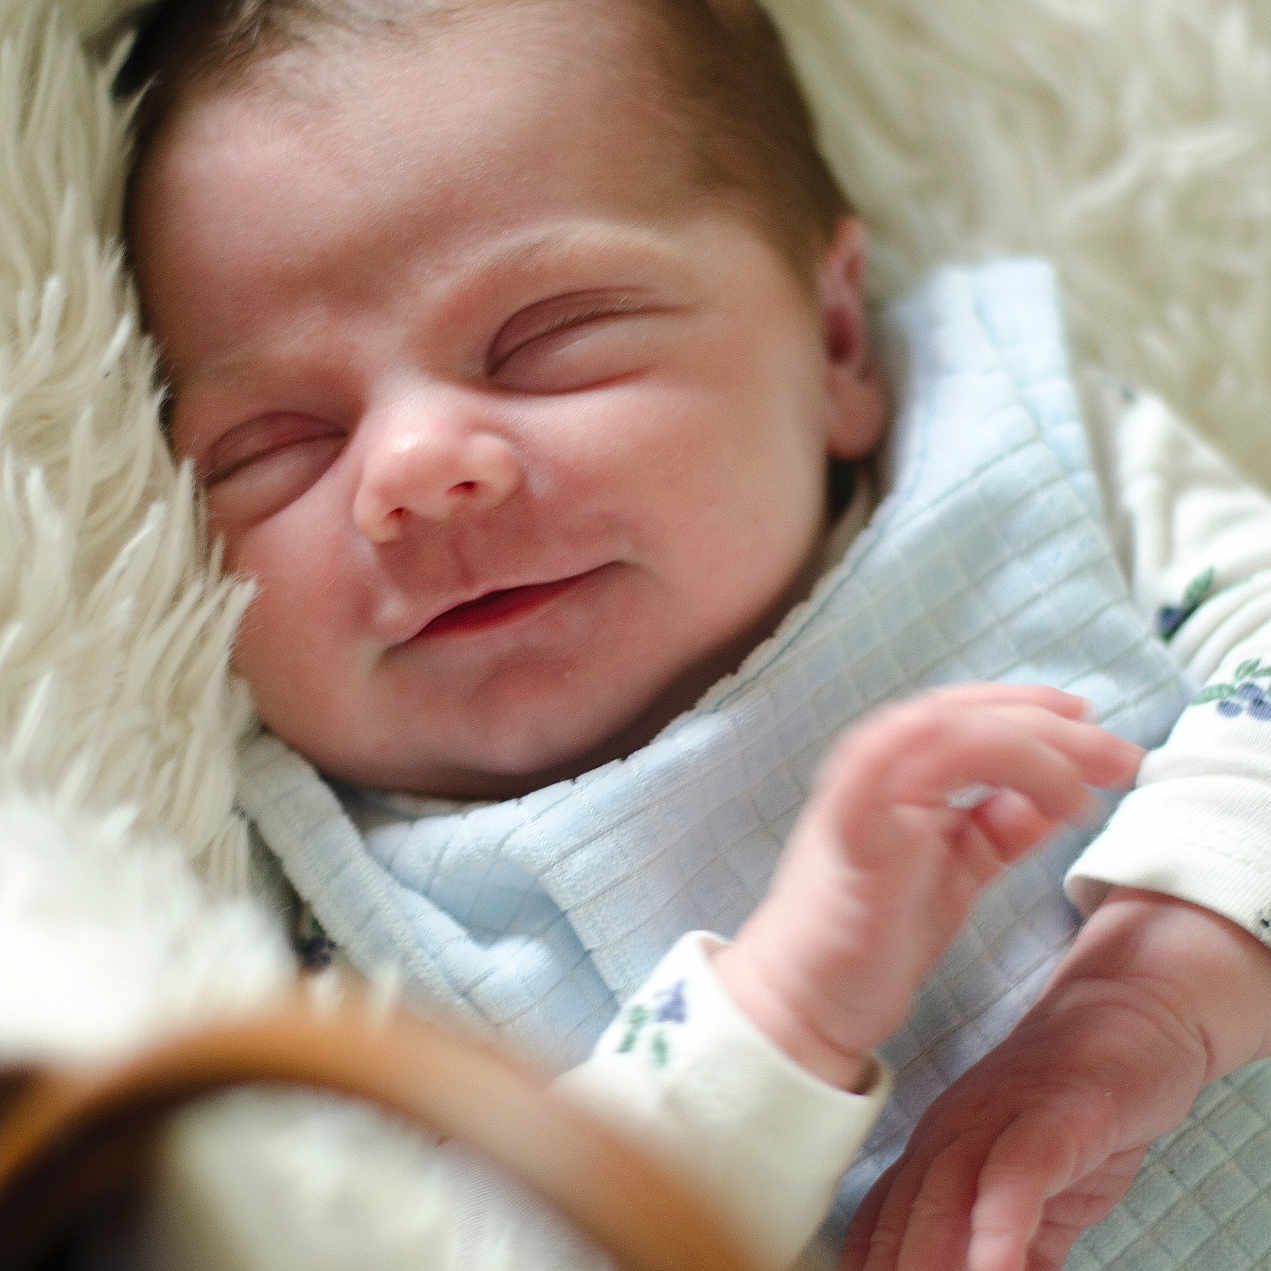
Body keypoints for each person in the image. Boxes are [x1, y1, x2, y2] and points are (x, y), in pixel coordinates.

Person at [116, 0, 1271, 1267]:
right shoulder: (352, 921)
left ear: (835, 342)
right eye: (272, 447)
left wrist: (1150, 998)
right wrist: (771, 1023)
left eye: (545, 338)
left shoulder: (1005, 447)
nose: (410, 466)